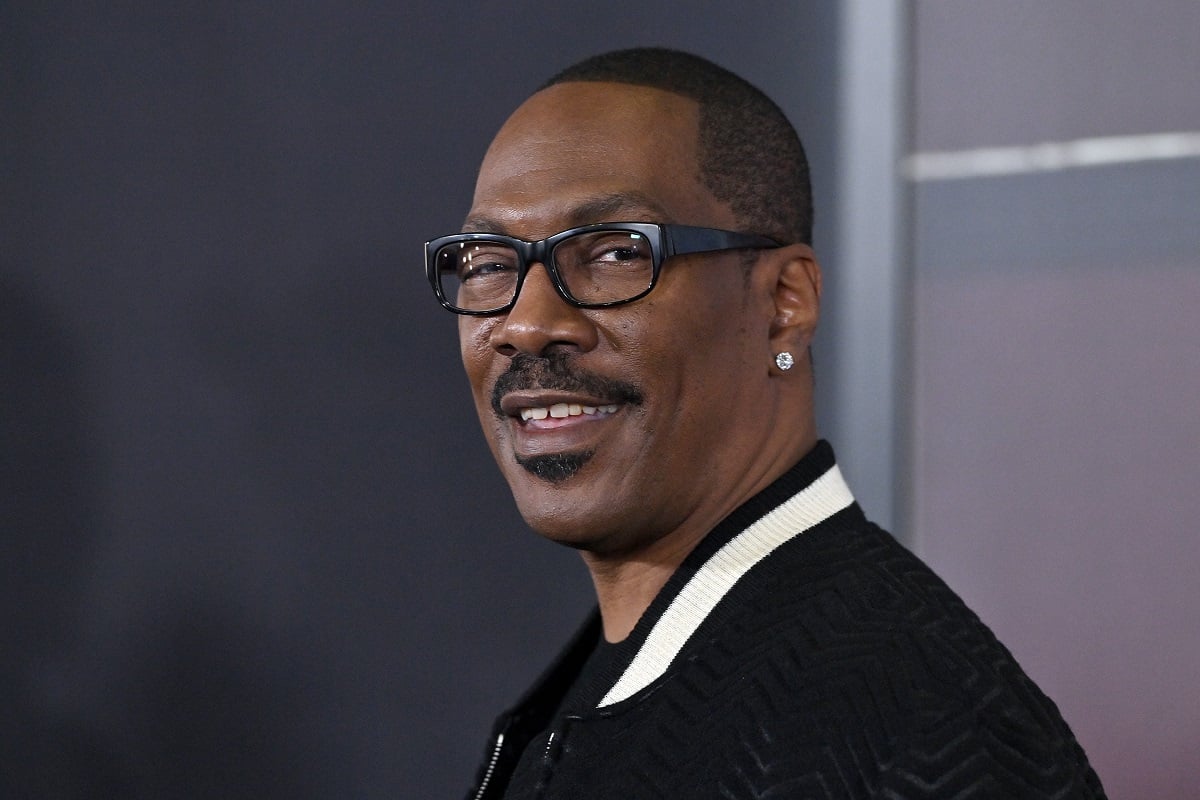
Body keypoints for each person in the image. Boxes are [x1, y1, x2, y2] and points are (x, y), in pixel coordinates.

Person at [427, 47, 1105, 799]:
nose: (526, 324)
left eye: (617, 252)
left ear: (786, 305)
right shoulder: (627, 676)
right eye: (489, 263)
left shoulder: (920, 728)